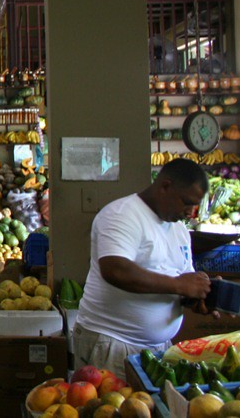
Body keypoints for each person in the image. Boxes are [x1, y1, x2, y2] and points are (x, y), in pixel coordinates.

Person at [72, 158, 212, 378]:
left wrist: (198, 296)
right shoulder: (122, 215)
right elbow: (115, 270)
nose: (190, 212)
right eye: (186, 202)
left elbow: (178, 282)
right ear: (165, 186)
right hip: (113, 344)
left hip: (158, 348)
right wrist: (179, 285)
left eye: (195, 205)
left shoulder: (179, 230)